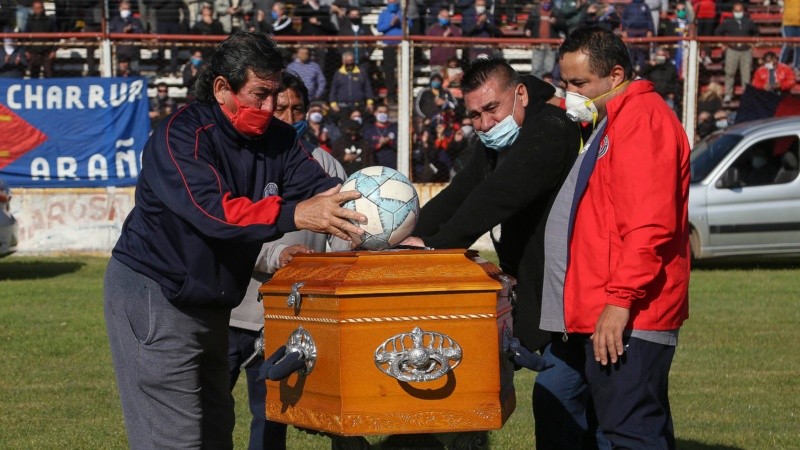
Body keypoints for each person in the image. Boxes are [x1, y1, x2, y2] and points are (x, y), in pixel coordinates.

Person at [104, 32, 366, 449]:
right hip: (157, 294)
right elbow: (215, 212)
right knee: (175, 440)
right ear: (222, 88)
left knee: (213, 433)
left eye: (275, 94)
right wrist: (295, 213)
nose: (269, 108)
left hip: (211, 304)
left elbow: (329, 191)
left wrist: (387, 230)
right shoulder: (180, 136)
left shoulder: (279, 140)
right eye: (260, 95)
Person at [535, 26, 690, 449]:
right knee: (587, 418)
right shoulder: (613, 120)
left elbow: (649, 225)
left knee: (630, 431)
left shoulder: (643, 120)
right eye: (565, 82)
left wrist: (620, 301)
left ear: (616, 75)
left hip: (630, 315)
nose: (569, 92)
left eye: (579, 83)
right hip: (600, 312)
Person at [402, 58, 582, 357]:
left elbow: (501, 192)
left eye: (491, 109)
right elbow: (462, 191)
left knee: (562, 389)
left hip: (566, 290)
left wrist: (436, 245)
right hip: (538, 286)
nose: (485, 124)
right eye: (474, 115)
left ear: (521, 95)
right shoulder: (497, 141)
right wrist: (403, 238)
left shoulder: (552, 126)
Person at [228, 71, 349, 450]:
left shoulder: (326, 167)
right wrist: (276, 255)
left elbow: (343, 240)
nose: (289, 116)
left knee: (270, 417)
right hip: (233, 311)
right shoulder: (241, 161)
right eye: (281, 107)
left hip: (289, 317)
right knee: (207, 412)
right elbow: (225, 229)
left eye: (298, 108)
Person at [716, 2, 758, 104]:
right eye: (736, 11)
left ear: (743, 11)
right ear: (733, 12)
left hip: (746, 50)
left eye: (740, 11)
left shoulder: (749, 22)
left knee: (746, 74)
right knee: (730, 73)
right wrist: (724, 43)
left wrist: (753, 43)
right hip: (732, 49)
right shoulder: (727, 22)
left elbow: (756, 32)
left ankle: (746, 95)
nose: (738, 13)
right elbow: (718, 32)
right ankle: (728, 94)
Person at [524, 0, 567, 78]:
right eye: (544, 1)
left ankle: (546, 88)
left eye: (548, 2)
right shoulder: (535, 12)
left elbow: (564, 27)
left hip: (551, 45)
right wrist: (527, 30)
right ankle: (535, 87)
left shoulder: (556, 11)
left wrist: (556, 22)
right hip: (538, 44)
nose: (546, 3)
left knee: (548, 69)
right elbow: (528, 25)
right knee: (536, 68)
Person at [329, 51, 374, 123]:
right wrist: (333, 104)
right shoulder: (338, 73)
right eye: (348, 61)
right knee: (345, 126)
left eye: (351, 60)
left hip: (359, 105)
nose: (350, 63)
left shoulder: (361, 72)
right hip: (343, 106)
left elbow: (367, 88)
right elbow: (333, 90)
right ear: (343, 61)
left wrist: (370, 103)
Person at [108, 0, 145, 74]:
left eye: (127, 9)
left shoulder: (135, 20)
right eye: (124, 9)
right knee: (120, 73)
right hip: (120, 52)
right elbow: (111, 34)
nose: (126, 11)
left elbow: (141, 32)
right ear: (120, 8)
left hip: (133, 51)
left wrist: (132, 30)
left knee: (135, 73)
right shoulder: (115, 20)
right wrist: (123, 31)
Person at [376, 0, 402, 99]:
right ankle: (391, 94)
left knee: (403, 70)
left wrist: (400, 22)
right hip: (388, 45)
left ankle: (403, 92)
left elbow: (410, 25)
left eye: (394, 2)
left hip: (401, 46)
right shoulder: (383, 13)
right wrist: (390, 24)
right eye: (391, 2)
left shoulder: (402, 13)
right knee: (389, 70)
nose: (393, 4)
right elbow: (379, 28)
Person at [24, 0, 57, 79]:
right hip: (34, 52)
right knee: (34, 75)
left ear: (43, 8)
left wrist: (54, 50)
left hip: (47, 52)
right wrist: (27, 50)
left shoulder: (49, 21)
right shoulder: (30, 21)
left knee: (49, 75)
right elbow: (25, 36)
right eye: (35, 8)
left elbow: (56, 36)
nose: (37, 10)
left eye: (39, 8)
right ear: (33, 9)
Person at [620, 0, 654, 71]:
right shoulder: (628, 6)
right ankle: (631, 70)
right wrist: (623, 31)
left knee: (641, 51)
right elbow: (623, 19)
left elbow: (649, 19)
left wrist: (650, 30)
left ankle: (642, 70)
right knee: (631, 51)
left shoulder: (645, 6)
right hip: (631, 32)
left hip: (643, 32)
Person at [362, 104, 398, 168]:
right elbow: (366, 147)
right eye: (380, 112)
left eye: (385, 112)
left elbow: (400, 145)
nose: (383, 114)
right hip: (374, 163)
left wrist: (389, 141)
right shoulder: (369, 129)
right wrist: (378, 145)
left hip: (391, 164)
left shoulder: (394, 128)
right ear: (375, 113)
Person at [780, 0, 799, 74]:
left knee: (799, 46)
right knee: (788, 44)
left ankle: (797, 67)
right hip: (788, 23)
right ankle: (780, 64)